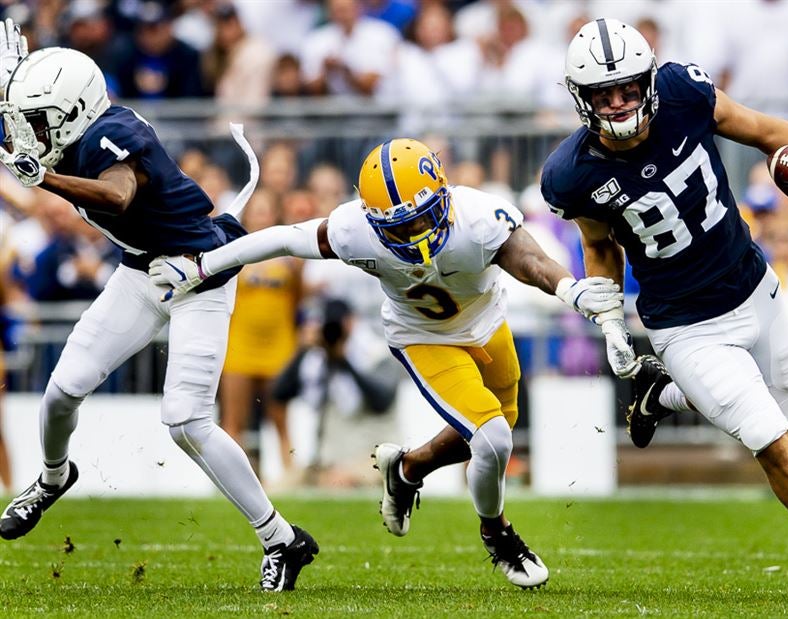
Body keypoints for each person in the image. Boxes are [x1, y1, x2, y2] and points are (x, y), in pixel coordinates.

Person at [540, 18, 788, 603]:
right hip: (685, 326)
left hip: (753, 286)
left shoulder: (685, 93)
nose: (618, 103)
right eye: (602, 94)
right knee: (776, 445)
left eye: (627, 89)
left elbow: (766, 132)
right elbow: (598, 243)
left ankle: (660, 395)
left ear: (647, 82)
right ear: (582, 99)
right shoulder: (572, 173)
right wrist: (612, 320)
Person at [149, 138, 632, 590]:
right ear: (372, 217)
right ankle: (498, 534)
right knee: (493, 438)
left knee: (493, 431)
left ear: (442, 197)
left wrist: (569, 288)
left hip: (488, 323)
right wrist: (204, 265)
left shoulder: (477, 215)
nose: (415, 233)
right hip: (423, 336)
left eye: (422, 218)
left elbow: (526, 257)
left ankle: (407, 469)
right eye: (398, 225)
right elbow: (280, 239)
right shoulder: (354, 228)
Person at [0, 45, 317, 592]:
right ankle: (54, 479)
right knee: (61, 391)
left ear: (73, 111)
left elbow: (117, 196)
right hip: (142, 272)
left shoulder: (111, 136)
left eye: (39, 119)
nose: (31, 132)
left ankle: (282, 540)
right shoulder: (79, 127)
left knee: (186, 421)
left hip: (201, 276)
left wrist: (42, 179)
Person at [219, 191, 303, 474]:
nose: (261, 216)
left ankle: (290, 478)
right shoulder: (233, 251)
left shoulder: (290, 256)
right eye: (256, 210)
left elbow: (298, 300)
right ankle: (234, 479)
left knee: (280, 419)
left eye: (266, 210)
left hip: (279, 345)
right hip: (239, 343)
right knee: (233, 420)